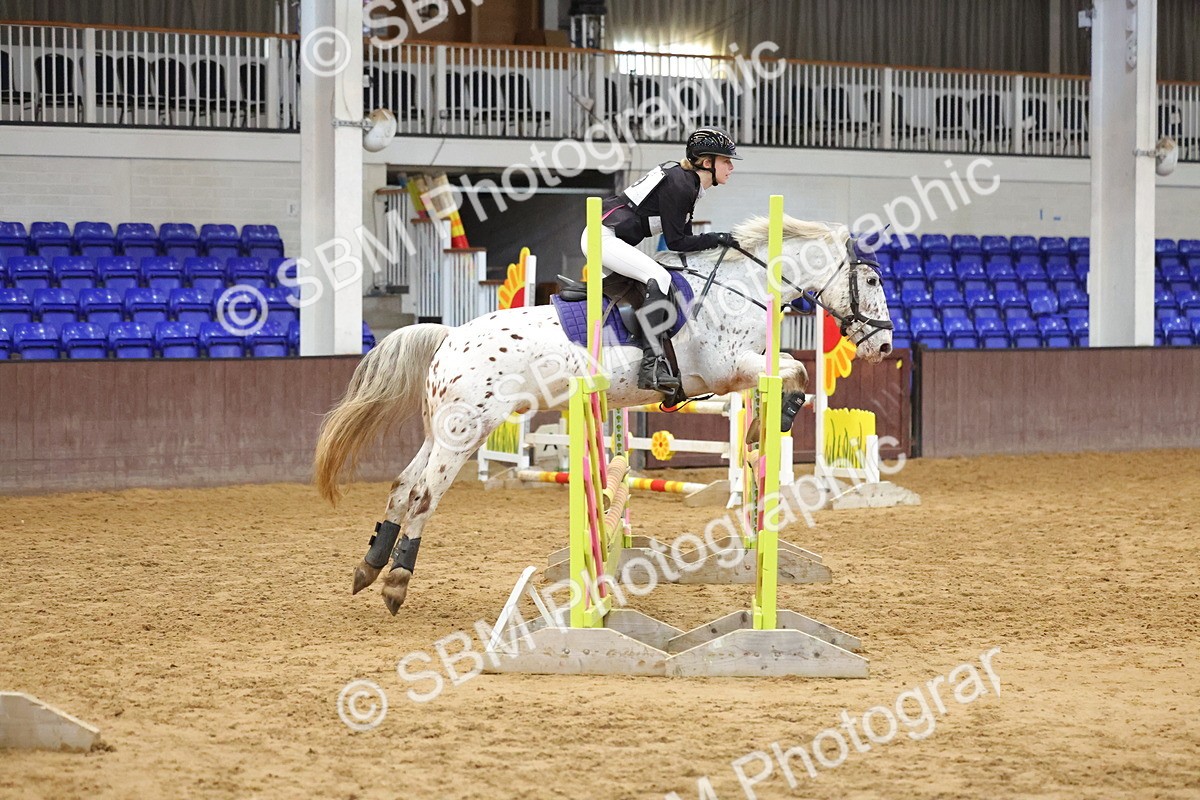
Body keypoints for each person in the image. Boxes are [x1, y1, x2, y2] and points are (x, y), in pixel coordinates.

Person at [579, 127, 742, 394]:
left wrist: (717, 242)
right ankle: (651, 365)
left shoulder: (687, 183)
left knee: (654, 280)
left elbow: (684, 241)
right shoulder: (681, 184)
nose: (731, 167)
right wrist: (718, 238)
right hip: (603, 237)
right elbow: (677, 242)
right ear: (707, 162)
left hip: (610, 238)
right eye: (726, 161)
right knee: (659, 277)